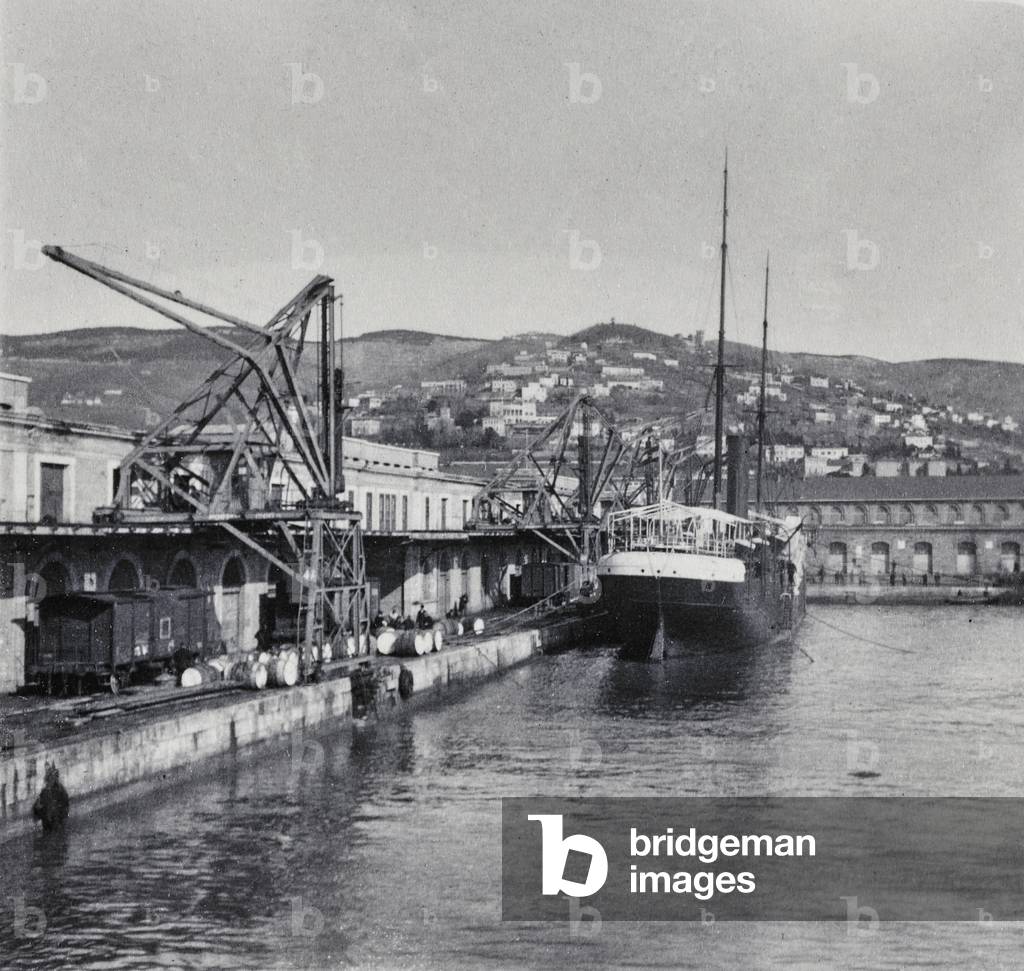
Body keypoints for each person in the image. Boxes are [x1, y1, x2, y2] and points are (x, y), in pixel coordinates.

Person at [33, 763, 69, 833]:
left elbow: (65, 802)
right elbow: (38, 806)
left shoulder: (57, 789)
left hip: (54, 820)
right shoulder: (47, 791)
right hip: (52, 820)